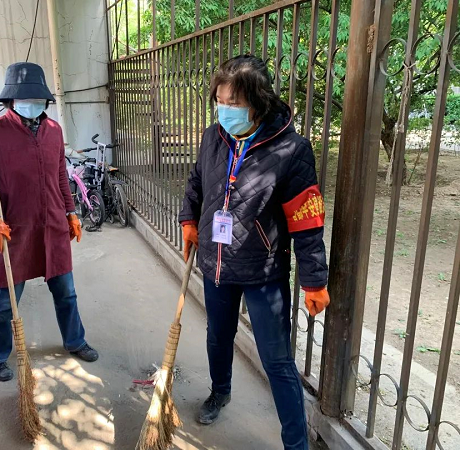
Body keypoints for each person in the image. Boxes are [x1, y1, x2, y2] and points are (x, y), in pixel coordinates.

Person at [179, 55, 330, 450]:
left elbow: (306, 220)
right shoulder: (213, 136)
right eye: (220, 100)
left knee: (277, 361)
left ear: (259, 102)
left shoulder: (292, 150)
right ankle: (220, 391)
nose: (224, 110)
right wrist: (189, 219)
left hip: (264, 271)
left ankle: (296, 443)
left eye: (234, 102)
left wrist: (314, 280)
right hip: (217, 265)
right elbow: (197, 180)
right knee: (218, 337)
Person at [0, 62, 99, 383]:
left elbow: (59, 176)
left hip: (52, 226)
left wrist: (71, 213)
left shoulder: (53, 131)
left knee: (66, 292)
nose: (32, 105)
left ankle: (75, 340)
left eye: (37, 99)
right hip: (12, 230)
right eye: (25, 99)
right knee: (5, 301)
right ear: (11, 100)